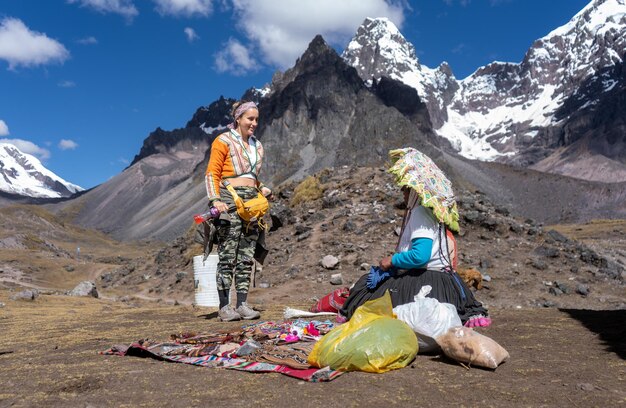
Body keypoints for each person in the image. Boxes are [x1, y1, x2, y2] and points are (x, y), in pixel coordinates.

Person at [339, 186, 491, 328]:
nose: (403, 194)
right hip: (447, 283)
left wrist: (392, 260)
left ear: (415, 193)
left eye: (406, 191)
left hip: (425, 278)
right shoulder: (433, 212)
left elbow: (420, 256)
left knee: (364, 291)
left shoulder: (421, 212)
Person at [205, 100, 272, 322]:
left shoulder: (258, 145)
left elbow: (252, 176)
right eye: (249, 119)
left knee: (246, 255)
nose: (254, 123)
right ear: (238, 119)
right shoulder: (222, 141)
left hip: (252, 203)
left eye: (256, 119)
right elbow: (212, 174)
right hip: (229, 199)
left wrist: (261, 187)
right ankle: (225, 307)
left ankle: (242, 304)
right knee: (227, 254)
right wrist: (215, 200)